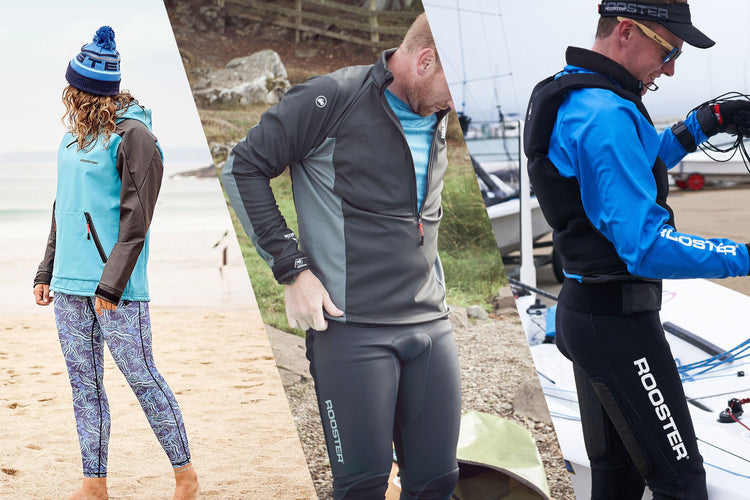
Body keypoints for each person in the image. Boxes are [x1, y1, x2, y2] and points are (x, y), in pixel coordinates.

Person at [222, 13, 460, 499]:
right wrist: (292, 270)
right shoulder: (332, 98)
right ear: (425, 61)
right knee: (362, 487)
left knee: (438, 482)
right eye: (455, 87)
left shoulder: (437, 113)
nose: (456, 103)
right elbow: (242, 167)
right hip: (353, 330)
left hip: (431, 323)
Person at [524, 1, 750, 499]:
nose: (669, 69)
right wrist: (745, 256)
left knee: (617, 478)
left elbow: (633, 164)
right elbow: (645, 247)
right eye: (668, 52)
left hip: (585, 311)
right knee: (681, 484)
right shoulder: (604, 114)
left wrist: (700, 125)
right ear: (626, 31)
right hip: (617, 325)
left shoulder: (572, 92)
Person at [32, 27, 199, 500]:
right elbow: (63, 208)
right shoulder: (71, 140)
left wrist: (112, 283)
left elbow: (137, 218)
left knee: (142, 377)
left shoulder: (136, 137)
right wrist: (46, 270)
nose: (69, 94)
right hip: (69, 285)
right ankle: (94, 484)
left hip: (116, 289)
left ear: (87, 90)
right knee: (84, 386)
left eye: (74, 87)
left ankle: (186, 477)